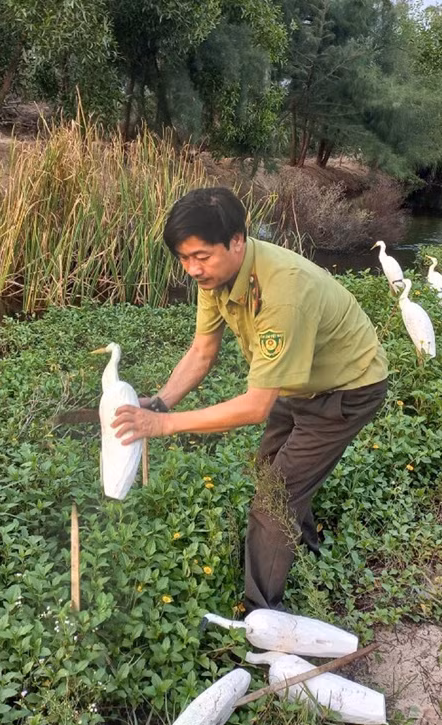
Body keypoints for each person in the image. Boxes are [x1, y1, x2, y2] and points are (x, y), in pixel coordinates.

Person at [112, 186, 389, 614]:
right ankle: (306, 547)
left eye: (201, 257)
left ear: (237, 241)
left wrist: (163, 425)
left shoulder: (283, 293)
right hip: (295, 382)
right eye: (183, 258)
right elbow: (202, 351)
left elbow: (256, 407)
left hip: (347, 389)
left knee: (274, 499)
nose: (192, 269)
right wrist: (161, 403)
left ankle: (262, 613)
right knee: (271, 468)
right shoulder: (216, 277)